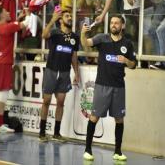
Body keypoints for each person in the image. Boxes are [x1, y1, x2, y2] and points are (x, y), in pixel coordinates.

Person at [81, 15, 137, 161]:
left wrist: (126, 60)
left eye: (116, 23)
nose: (113, 25)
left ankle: (117, 151)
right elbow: (86, 43)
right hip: (102, 85)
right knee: (94, 117)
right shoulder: (102, 38)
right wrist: (83, 33)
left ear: (122, 26)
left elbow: (133, 65)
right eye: (112, 23)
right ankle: (88, 149)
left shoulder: (127, 44)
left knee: (119, 119)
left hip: (119, 86)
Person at [0, 6, 28, 133]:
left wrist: (16, 20)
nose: (8, 12)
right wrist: (29, 14)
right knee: (3, 92)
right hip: (3, 63)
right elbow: (25, 24)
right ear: (1, 15)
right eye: (6, 11)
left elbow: (11, 27)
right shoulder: (8, 27)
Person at [39, 9, 80, 142]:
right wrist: (52, 20)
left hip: (65, 72)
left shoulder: (75, 37)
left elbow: (74, 56)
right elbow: (44, 35)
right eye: (67, 16)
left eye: (70, 16)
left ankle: (56, 133)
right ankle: (42, 132)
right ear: (61, 20)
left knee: (61, 103)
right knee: (46, 101)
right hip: (51, 71)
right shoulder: (55, 33)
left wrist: (76, 73)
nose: (70, 18)